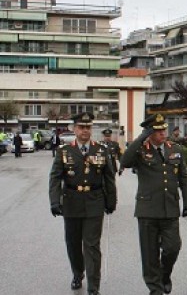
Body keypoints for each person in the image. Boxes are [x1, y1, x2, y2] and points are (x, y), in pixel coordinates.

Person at [120, 114, 187, 294]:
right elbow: (125, 162)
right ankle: (155, 288)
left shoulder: (174, 149)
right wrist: (140, 138)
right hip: (147, 210)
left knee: (173, 247)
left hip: (170, 208)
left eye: (164, 130)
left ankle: (165, 274)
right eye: (158, 130)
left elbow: (183, 177)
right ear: (149, 133)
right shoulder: (140, 150)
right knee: (149, 254)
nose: (163, 133)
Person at [48, 112, 117, 295]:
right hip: (71, 202)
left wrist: (111, 200)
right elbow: (55, 178)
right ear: (74, 129)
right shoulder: (64, 151)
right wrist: (55, 201)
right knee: (73, 243)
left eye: (88, 127)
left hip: (95, 201)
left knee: (92, 246)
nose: (85, 130)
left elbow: (109, 178)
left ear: (91, 128)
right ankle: (78, 273)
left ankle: (94, 288)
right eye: (81, 127)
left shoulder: (101, 150)